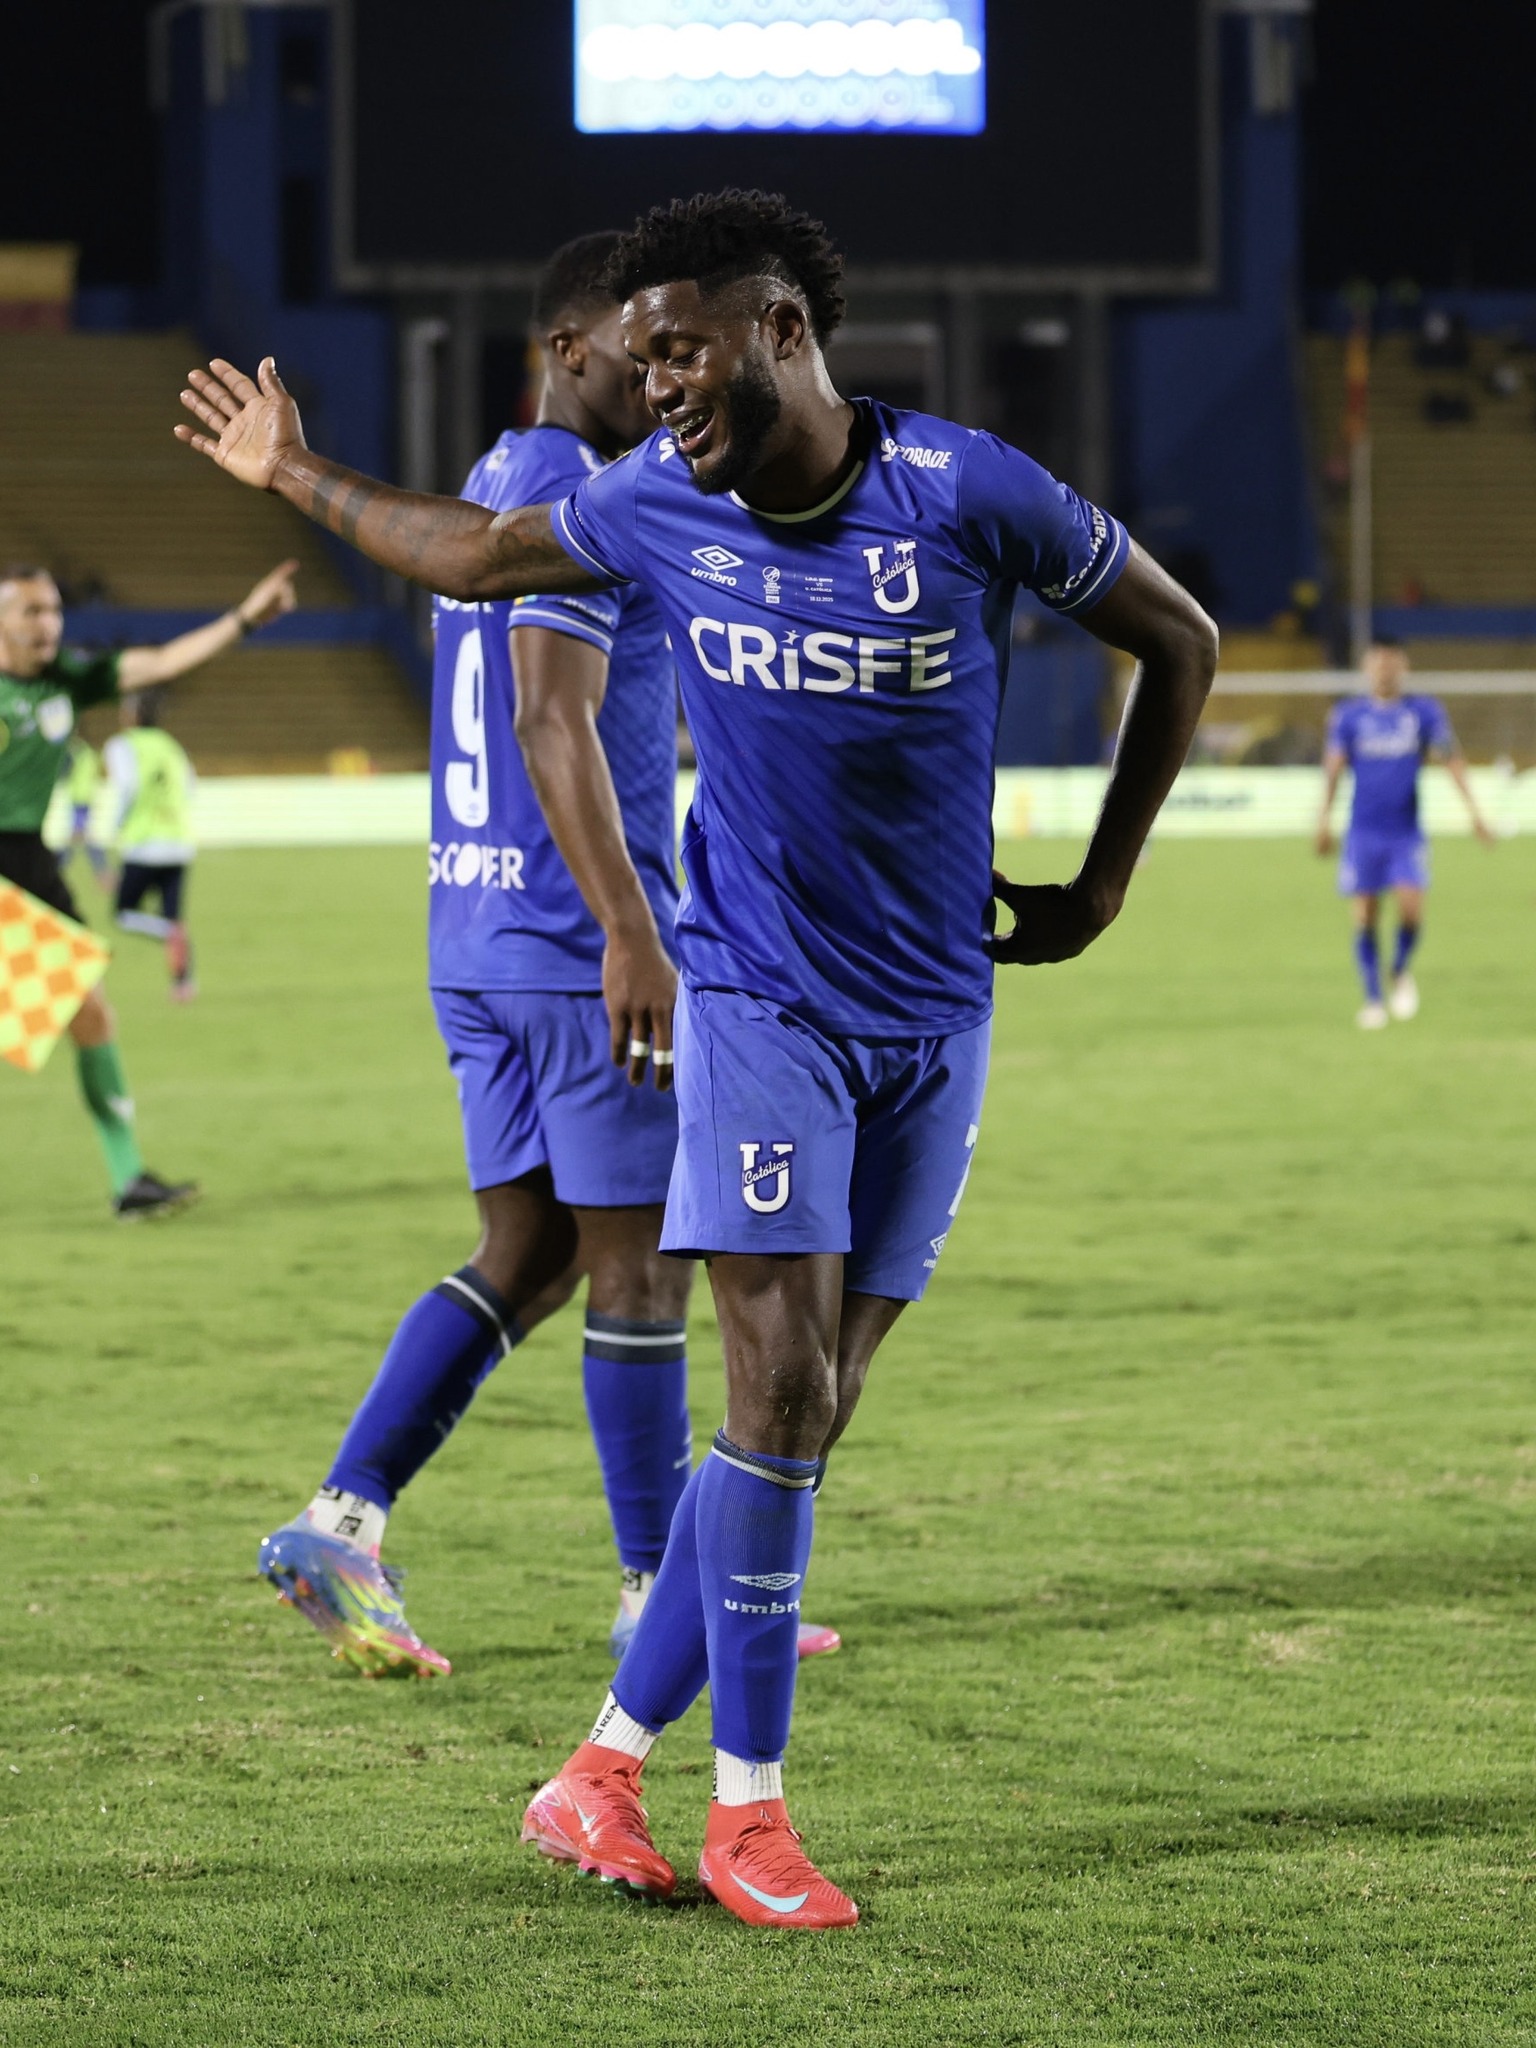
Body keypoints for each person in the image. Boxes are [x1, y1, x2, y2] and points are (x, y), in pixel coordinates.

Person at [176, 187, 1218, 1929]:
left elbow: (1176, 640)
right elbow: (472, 557)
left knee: (803, 1420)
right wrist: (292, 471)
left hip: (935, 1019)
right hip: (753, 1008)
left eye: (683, 347)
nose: (655, 383)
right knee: (770, 1390)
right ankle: (748, 1815)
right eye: (638, 353)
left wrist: (1104, 883)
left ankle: (593, 1770)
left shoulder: (966, 493)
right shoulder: (653, 501)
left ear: (785, 334)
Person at [255, 232, 838, 1681]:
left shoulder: (497, 484)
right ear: (563, 350)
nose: (656, 380)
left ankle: (345, 1514)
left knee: (525, 1255)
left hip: (476, 935)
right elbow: (547, 718)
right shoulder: (570, 494)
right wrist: (633, 930)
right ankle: (660, 1593)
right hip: (576, 948)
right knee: (637, 1273)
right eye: (629, 358)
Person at [0, 559, 298, 1216]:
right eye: (30, 611)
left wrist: (245, 618)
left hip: (31, 863)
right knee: (42, 1020)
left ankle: (128, 1180)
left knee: (92, 1016)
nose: (47, 622)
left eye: (51, 609)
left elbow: (161, 663)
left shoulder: (67, 682)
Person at [1315, 635, 1493, 1029]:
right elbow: (1333, 769)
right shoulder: (1348, 715)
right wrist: (1323, 820)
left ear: (1404, 668)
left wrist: (1475, 813)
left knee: (1411, 911)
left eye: (1392, 663)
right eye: (1378, 662)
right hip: (1363, 831)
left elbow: (1451, 760)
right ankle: (1373, 998)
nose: (1385, 669)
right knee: (1365, 915)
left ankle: (1397, 968)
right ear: (1366, 668)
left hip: (1405, 832)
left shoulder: (1423, 712)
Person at [105, 689, 198, 1000]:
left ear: (131, 715)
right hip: (179, 841)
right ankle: (183, 983)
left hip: (144, 843)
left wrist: (117, 825)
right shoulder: (174, 747)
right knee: (173, 916)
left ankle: (168, 934)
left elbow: (128, 787)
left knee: (124, 914)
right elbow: (189, 788)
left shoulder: (122, 745)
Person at [63, 739, 112, 886]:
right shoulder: (90, 755)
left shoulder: (76, 754)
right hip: (84, 798)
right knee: (80, 837)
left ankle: (102, 872)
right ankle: (102, 872)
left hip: (80, 798)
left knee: (79, 836)